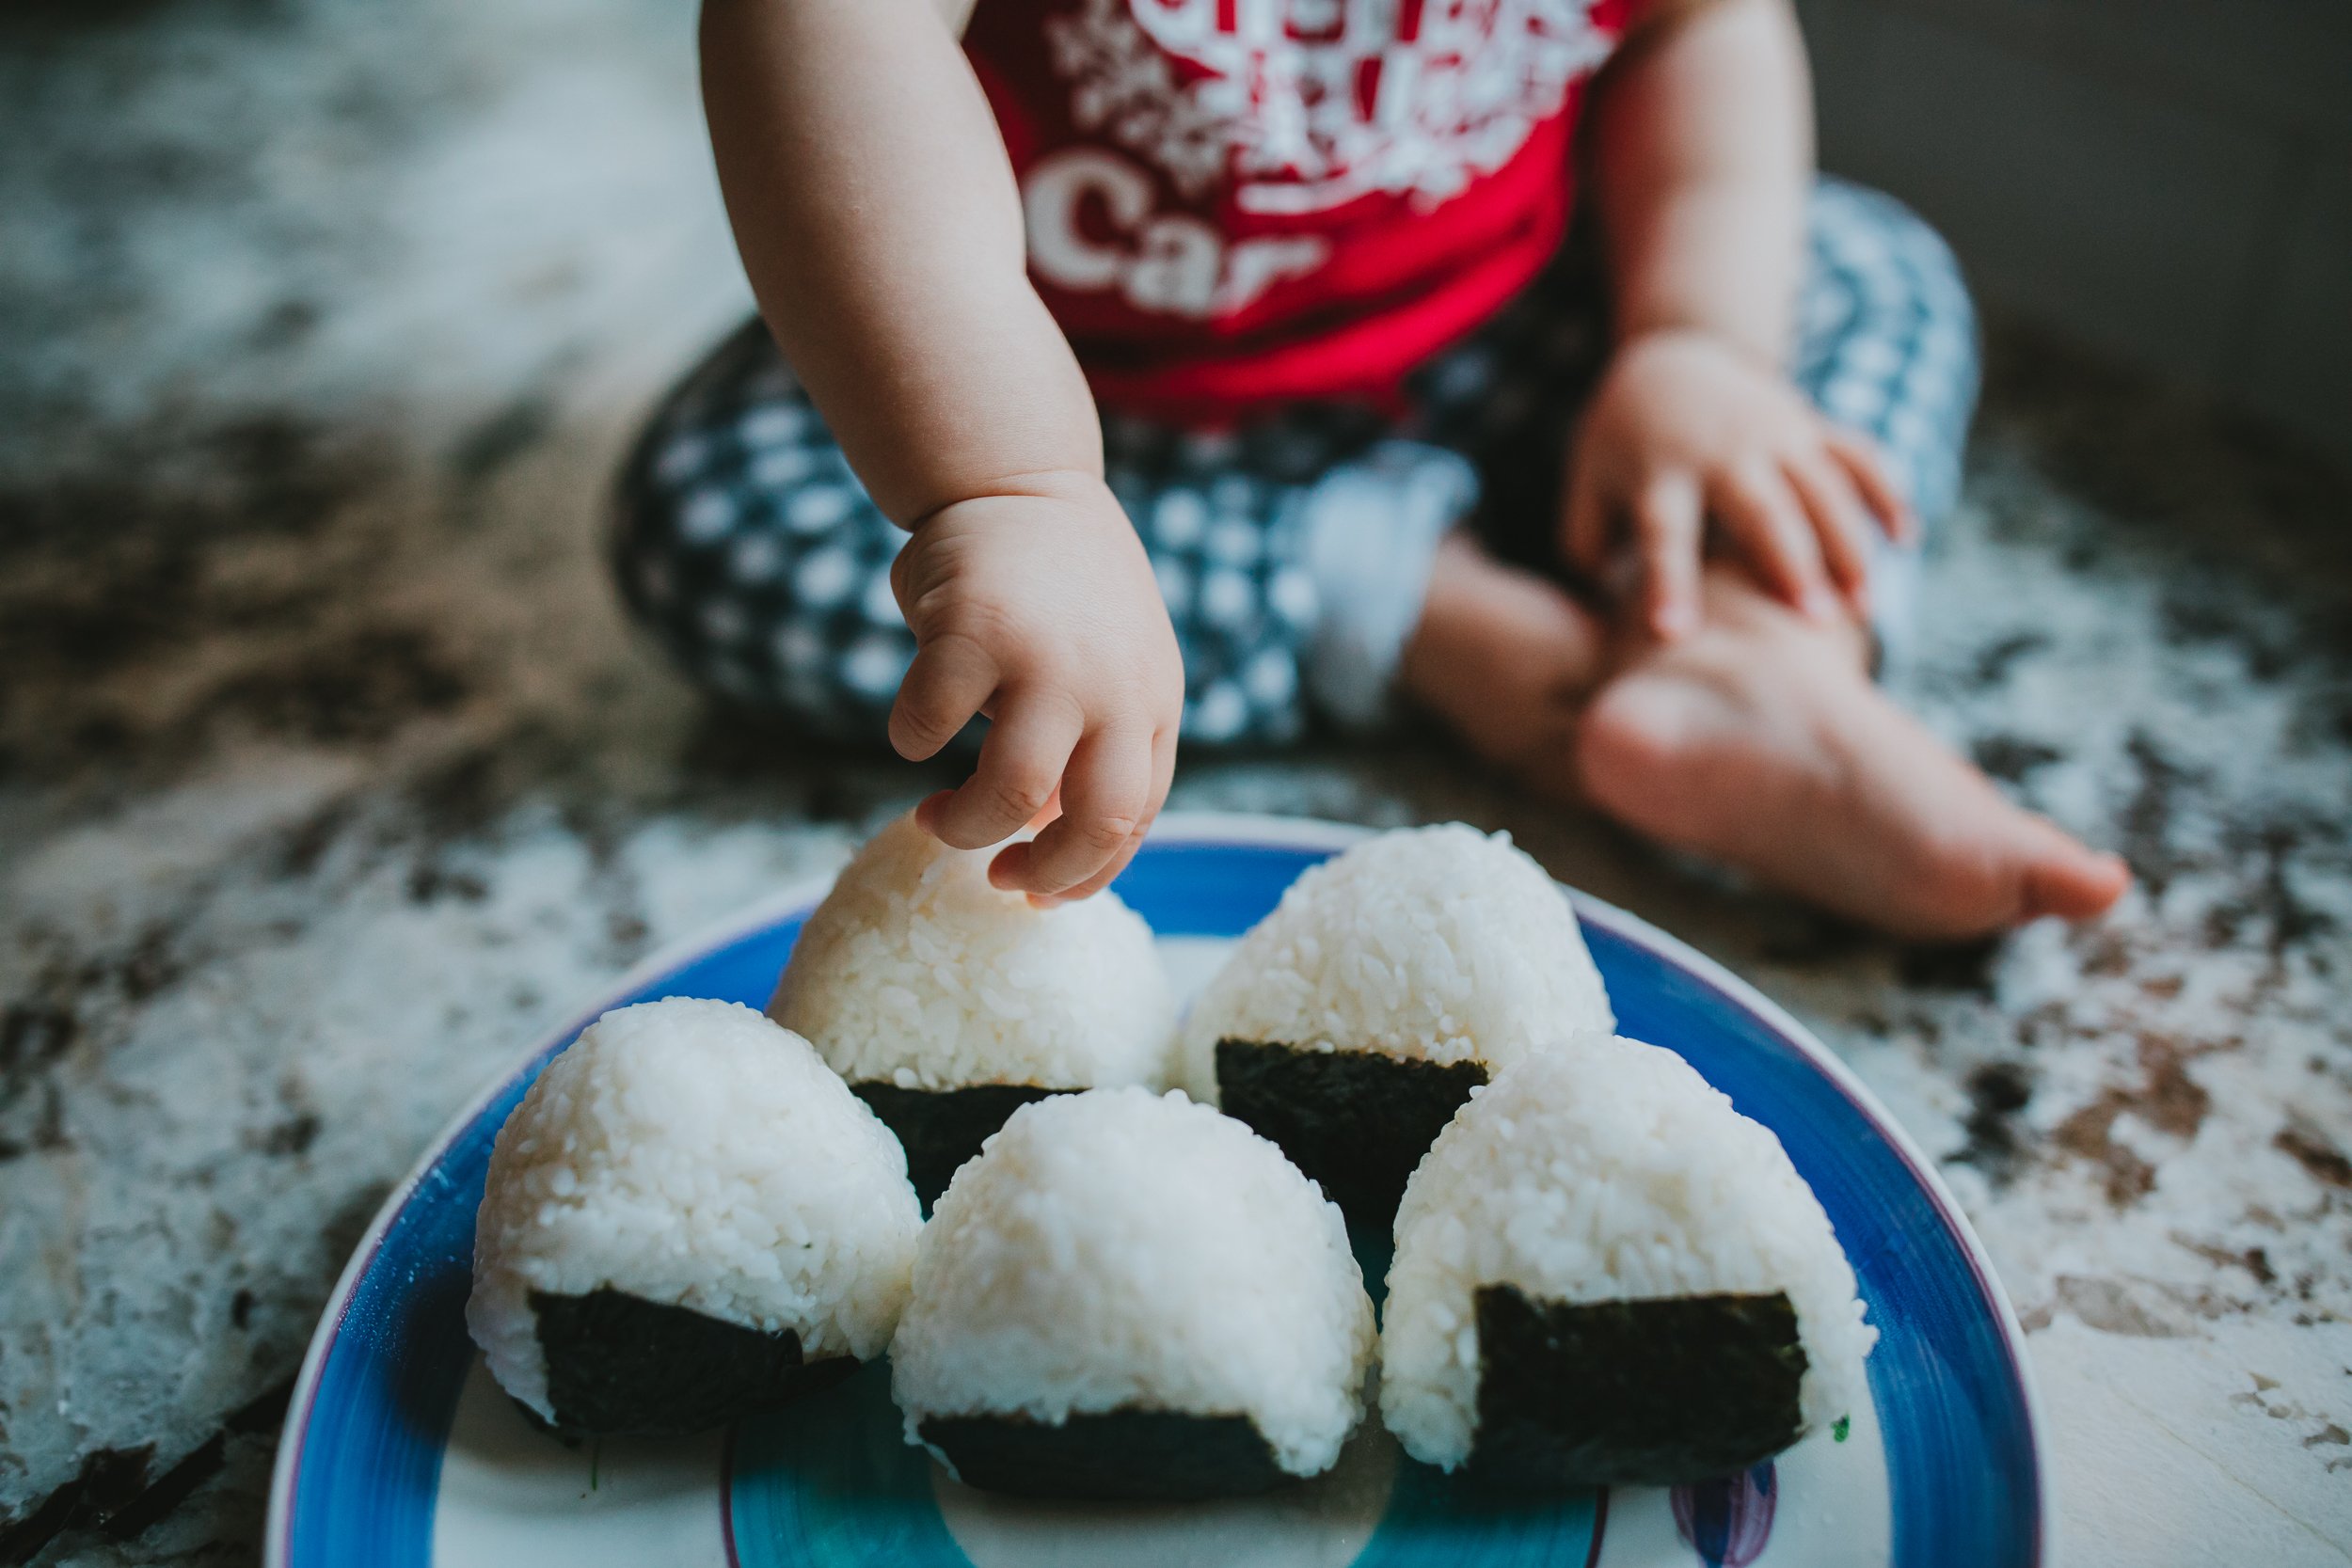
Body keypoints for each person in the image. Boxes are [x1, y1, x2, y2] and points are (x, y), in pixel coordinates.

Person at [614, 0, 2131, 938]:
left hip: (1509, 337)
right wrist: (1009, 486)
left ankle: (1744, 637)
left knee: (1867, 270)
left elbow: (1701, 29)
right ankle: (1453, 628)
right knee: (714, 518)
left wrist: (1696, 345)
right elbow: (826, 28)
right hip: (1075, 391)